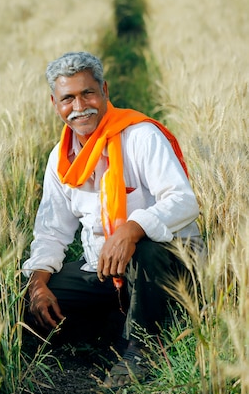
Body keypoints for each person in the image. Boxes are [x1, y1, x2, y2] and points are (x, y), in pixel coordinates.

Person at [22, 51, 203, 388]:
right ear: (54, 103)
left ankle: (142, 350)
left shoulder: (141, 136)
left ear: (104, 89)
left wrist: (132, 230)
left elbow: (184, 201)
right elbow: (51, 230)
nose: (80, 106)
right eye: (68, 98)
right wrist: (38, 284)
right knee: (30, 295)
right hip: (104, 269)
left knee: (144, 248)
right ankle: (111, 326)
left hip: (163, 266)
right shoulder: (60, 159)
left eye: (88, 93)